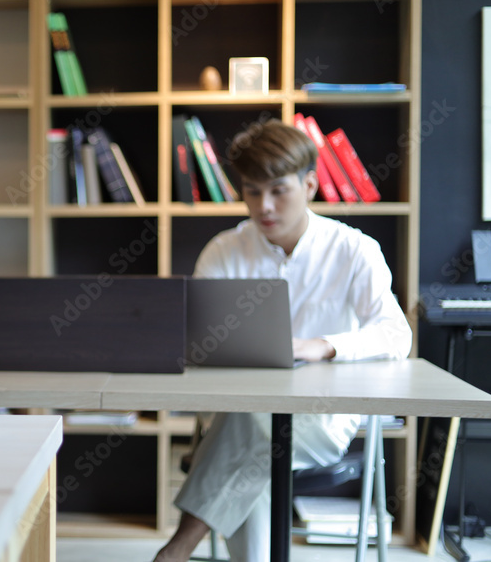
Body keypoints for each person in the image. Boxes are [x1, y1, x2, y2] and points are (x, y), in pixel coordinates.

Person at [152, 118, 412, 562]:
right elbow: (192, 333)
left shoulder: (353, 250)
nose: (264, 206)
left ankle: (177, 549)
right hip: (234, 412)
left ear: (310, 184)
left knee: (254, 428)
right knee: (254, 438)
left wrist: (324, 345)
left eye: (278, 190)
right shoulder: (224, 249)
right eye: (252, 191)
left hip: (323, 419)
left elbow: (396, 334)